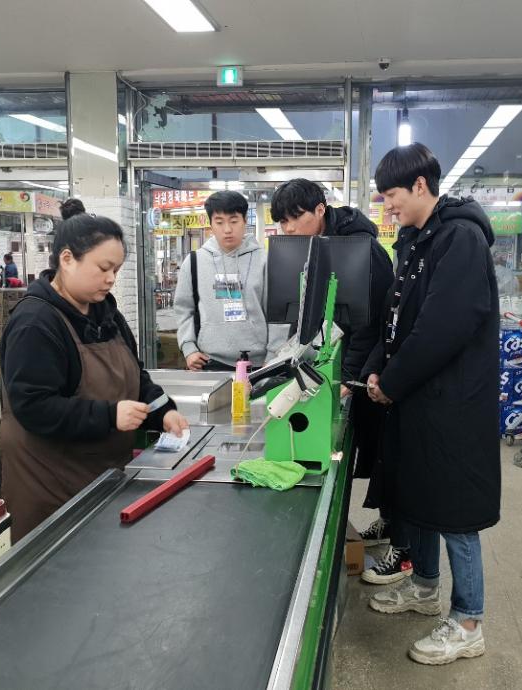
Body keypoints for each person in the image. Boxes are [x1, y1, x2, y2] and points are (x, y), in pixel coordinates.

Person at [362, 143, 500, 666]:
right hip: (420, 396)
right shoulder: (418, 240)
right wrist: (377, 368)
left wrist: (392, 382)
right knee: (419, 497)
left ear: (420, 185)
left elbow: (442, 328)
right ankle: (423, 586)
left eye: (391, 195)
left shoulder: (460, 238)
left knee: (455, 512)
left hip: (453, 401)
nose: (387, 205)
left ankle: (468, 622)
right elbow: (396, 318)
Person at [0, 203, 189, 541]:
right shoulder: (36, 323)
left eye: (116, 269)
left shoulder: (106, 314)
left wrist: (163, 411)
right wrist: (109, 415)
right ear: (67, 259)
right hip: (47, 485)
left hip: (98, 475)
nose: (111, 279)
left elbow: (135, 376)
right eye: (103, 268)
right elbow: (34, 406)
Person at [269, 179, 404, 584]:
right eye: (282, 221)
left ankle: (403, 541)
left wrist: (350, 375)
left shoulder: (362, 250)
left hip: (370, 371)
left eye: (295, 218)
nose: (289, 228)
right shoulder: (308, 249)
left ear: (320, 209)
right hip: (336, 364)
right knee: (367, 450)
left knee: (386, 453)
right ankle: (389, 521)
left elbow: (373, 322)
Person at [174, 190, 281, 371]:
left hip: (259, 363)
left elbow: (277, 313)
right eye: (219, 222)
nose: (227, 229)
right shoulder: (194, 262)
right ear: (210, 224)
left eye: (234, 221)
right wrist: (188, 348)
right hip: (209, 361)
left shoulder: (266, 261)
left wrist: (273, 355)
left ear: (245, 220)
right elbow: (183, 309)